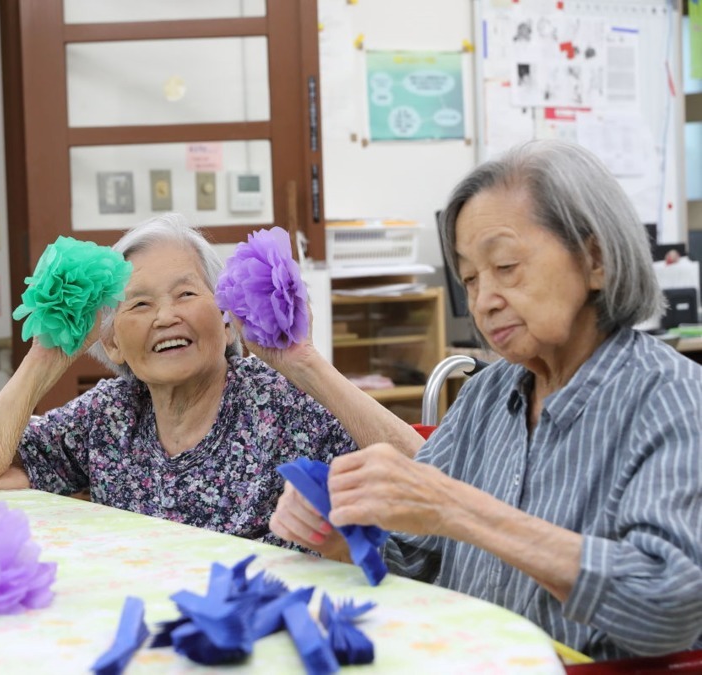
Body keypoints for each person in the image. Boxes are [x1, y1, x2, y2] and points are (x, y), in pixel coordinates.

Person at [265, 140, 702, 660]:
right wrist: (340, 536)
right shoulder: (487, 396)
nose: (483, 301)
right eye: (470, 279)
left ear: (596, 260)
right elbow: (420, 556)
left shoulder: (672, 398)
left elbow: (667, 605)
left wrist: (456, 507)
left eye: (507, 266)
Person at [0, 213, 417, 544]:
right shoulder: (110, 413)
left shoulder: (278, 404)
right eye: (139, 304)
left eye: (186, 293)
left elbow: (430, 476)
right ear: (112, 342)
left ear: (225, 316)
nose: (166, 316)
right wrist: (46, 356)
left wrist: (306, 363)